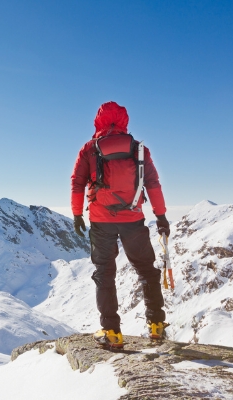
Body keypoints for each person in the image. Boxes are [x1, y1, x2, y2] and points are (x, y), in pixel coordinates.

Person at [70, 101, 170, 348]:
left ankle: (112, 332)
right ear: (124, 121)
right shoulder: (138, 149)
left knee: (104, 273)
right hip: (133, 218)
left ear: (98, 121)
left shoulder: (89, 149)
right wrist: (161, 215)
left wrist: (76, 214)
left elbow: (77, 183)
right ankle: (156, 326)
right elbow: (153, 184)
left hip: (101, 221)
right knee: (147, 269)